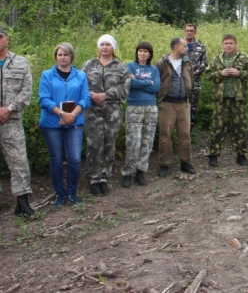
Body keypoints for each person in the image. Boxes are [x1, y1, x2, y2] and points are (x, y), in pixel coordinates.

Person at [39, 43, 90, 207]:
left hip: (74, 123)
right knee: (57, 159)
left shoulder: (80, 76)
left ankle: (72, 193)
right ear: (56, 56)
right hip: (52, 123)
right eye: (60, 55)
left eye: (66, 55)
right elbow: (44, 99)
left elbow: (85, 99)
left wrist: (72, 115)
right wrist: (61, 114)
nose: (62, 58)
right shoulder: (47, 75)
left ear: (71, 57)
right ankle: (59, 194)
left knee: (75, 159)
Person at [82, 34, 130, 196]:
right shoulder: (89, 65)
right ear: (98, 47)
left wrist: (106, 95)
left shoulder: (121, 67)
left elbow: (125, 89)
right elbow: (79, 85)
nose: (104, 47)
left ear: (113, 48)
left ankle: (104, 176)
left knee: (109, 143)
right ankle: (94, 178)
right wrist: (92, 95)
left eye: (108, 44)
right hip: (92, 111)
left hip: (113, 111)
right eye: (102, 44)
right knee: (94, 144)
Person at [205, 34, 248, 167]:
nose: (228, 46)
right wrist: (219, 74)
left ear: (236, 44)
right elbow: (208, 75)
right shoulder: (217, 59)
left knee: (239, 127)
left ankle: (241, 155)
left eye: (231, 43)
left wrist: (240, 74)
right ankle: (213, 155)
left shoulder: (244, 57)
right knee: (218, 127)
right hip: (221, 100)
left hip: (238, 99)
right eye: (226, 43)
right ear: (222, 45)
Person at [0, 26, 35, 217]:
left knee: (19, 162)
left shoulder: (21, 63)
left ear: (7, 39)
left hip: (11, 122)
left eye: (0, 37)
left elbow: (26, 91)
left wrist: (9, 109)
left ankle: (22, 203)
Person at [121, 42, 160, 188]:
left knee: (147, 141)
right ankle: (128, 172)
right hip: (134, 107)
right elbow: (130, 84)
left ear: (150, 54)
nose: (142, 54)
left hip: (150, 107)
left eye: (145, 51)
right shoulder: (130, 66)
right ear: (137, 53)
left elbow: (156, 87)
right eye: (140, 51)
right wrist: (147, 82)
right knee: (133, 142)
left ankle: (140, 171)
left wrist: (139, 82)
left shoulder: (154, 69)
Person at [156, 38, 195, 177]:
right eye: (185, 46)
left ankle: (185, 162)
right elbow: (156, 82)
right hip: (167, 104)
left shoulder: (187, 62)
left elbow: (191, 79)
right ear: (176, 47)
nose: (187, 48)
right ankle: (164, 164)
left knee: (185, 134)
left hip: (184, 104)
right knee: (165, 135)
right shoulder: (161, 63)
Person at [183, 24, 208, 123]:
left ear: (195, 33)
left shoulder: (201, 47)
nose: (189, 32)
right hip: (181, 82)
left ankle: (191, 131)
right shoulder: (179, 44)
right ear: (184, 32)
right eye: (187, 30)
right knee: (180, 105)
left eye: (191, 31)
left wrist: (196, 72)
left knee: (193, 107)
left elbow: (205, 64)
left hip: (195, 83)